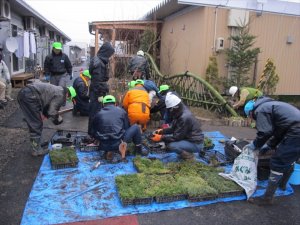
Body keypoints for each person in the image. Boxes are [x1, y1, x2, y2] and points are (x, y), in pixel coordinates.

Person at [243, 96, 300, 205]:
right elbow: (279, 131)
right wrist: (270, 145)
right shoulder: (270, 106)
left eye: (250, 117)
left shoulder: (261, 110)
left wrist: (255, 145)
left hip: (296, 132)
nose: (253, 119)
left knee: (277, 161)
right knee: (290, 158)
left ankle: (267, 198)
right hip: (295, 129)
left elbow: (265, 132)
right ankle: (282, 185)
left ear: (250, 113)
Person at [17, 82, 72, 156]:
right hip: (30, 96)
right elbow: (52, 111)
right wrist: (58, 119)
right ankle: (36, 150)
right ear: (67, 94)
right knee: (35, 124)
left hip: (26, 93)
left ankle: (39, 143)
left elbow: (47, 108)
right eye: (68, 98)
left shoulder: (58, 90)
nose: (66, 100)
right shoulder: (61, 95)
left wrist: (47, 115)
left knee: (36, 122)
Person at [92, 95, 149, 162]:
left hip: (103, 145)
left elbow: (93, 131)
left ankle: (109, 151)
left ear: (103, 104)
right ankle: (139, 150)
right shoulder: (122, 112)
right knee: (136, 127)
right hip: (118, 143)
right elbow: (126, 127)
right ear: (115, 103)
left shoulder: (98, 114)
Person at [151, 93, 204, 160]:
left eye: (170, 109)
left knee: (171, 146)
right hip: (188, 139)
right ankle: (185, 150)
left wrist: (161, 138)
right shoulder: (179, 113)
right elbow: (173, 128)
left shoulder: (184, 117)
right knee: (168, 141)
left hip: (196, 143)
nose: (169, 111)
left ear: (174, 108)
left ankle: (189, 157)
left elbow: (177, 137)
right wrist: (162, 131)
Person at [88, 42, 115, 137]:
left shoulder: (99, 60)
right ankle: (93, 134)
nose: (110, 56)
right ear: (106, 52)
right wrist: (100, 94)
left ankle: (94, 132)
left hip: (97, 90)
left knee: (96, 111)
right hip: (97, 92)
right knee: (95, 112)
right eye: (110, 54)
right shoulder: (98, 63)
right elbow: (97, 81)